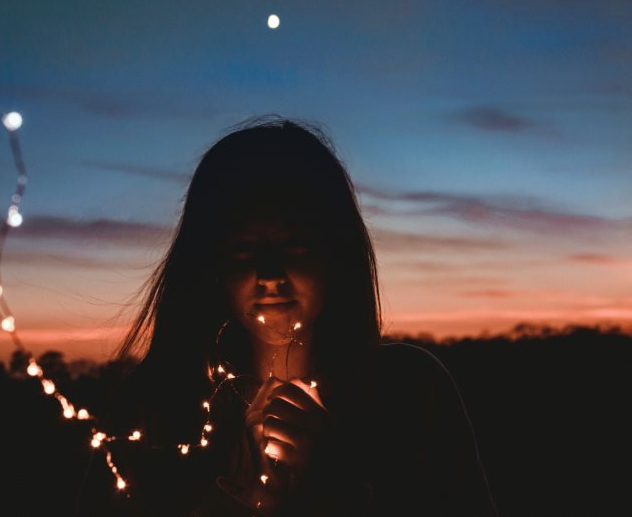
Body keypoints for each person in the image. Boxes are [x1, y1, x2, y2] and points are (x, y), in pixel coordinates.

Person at [75, 115, 498, 516]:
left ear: (335, 254)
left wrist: (333, 490)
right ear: (212, 262)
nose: (271, 275)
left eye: (295, 244)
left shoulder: (409, 392)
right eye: (245, 248)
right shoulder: (153, 409)